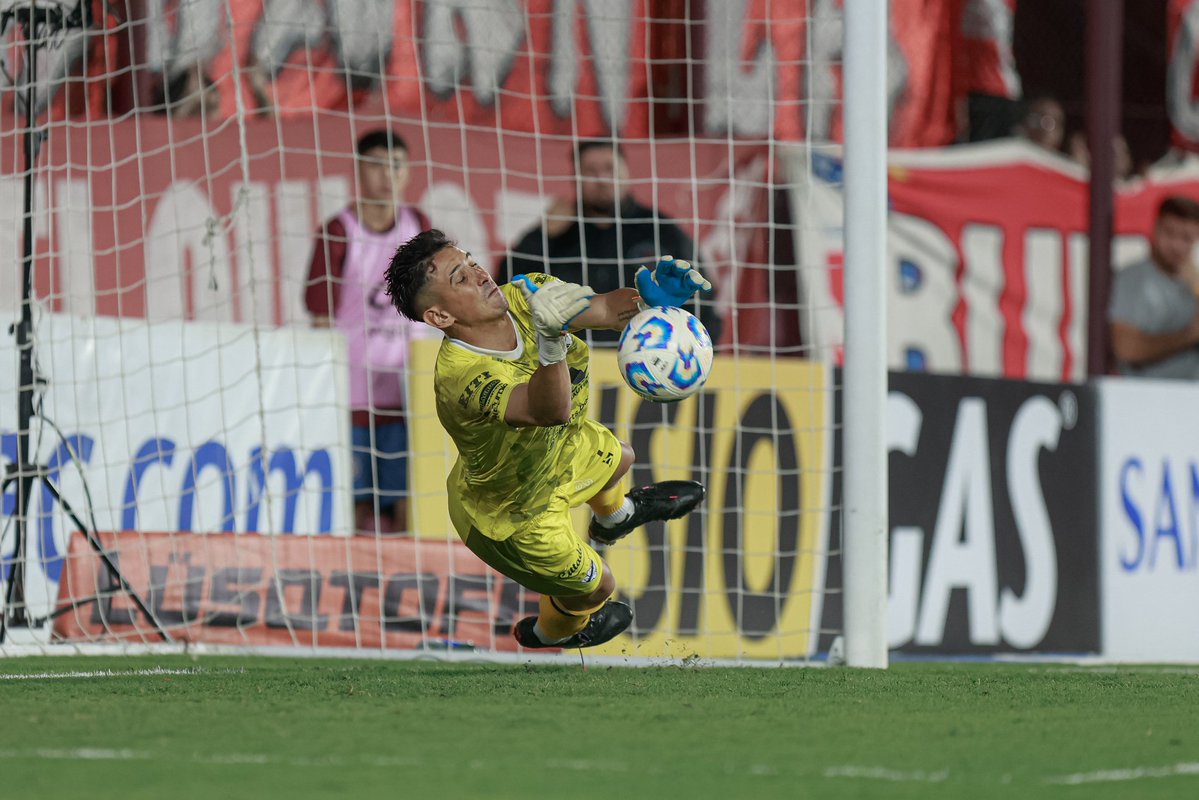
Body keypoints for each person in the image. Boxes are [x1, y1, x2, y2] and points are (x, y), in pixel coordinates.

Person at [384, 229, 709, 649]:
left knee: (621, 457)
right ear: (440, 317)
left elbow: (606, 309)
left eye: (470, 260)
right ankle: (545, 632)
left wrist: (648, 304)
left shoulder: (525, 295)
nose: (480, 274)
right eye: (459, 278)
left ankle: (616, 519)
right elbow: (547, 410)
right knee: (598, 588)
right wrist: (551, 342)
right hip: (513, 514)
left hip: (559, 450)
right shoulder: (461, 376)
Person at [305, 129, 431, 534]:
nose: (386, 175)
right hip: (353, 395)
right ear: (359, 170)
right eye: (377, 164)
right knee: (355, 506)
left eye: (395, 165)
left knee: (405, 506)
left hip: (407, 392)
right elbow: (320, 314)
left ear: (407, 172)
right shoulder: (339, 230)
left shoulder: (419, 225)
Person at [506, 139, 722, 348]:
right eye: (590, 171)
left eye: (609, 168)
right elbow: (508, 289)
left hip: (646, 361)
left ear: (626, 171)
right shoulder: (555, 232)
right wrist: (543, 234)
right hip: (570, 362)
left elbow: (703, 299)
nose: (601, 178)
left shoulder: (659, 229)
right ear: (575, 178)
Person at [1109, 196, 1199, 379]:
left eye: (1186, 238)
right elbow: (1126, 348)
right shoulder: (1133, 279)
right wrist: (1188, 336)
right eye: (1170, 233)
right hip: (1148, 398)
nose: (1176, 245)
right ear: (1156, 229)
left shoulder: (1193, 283)